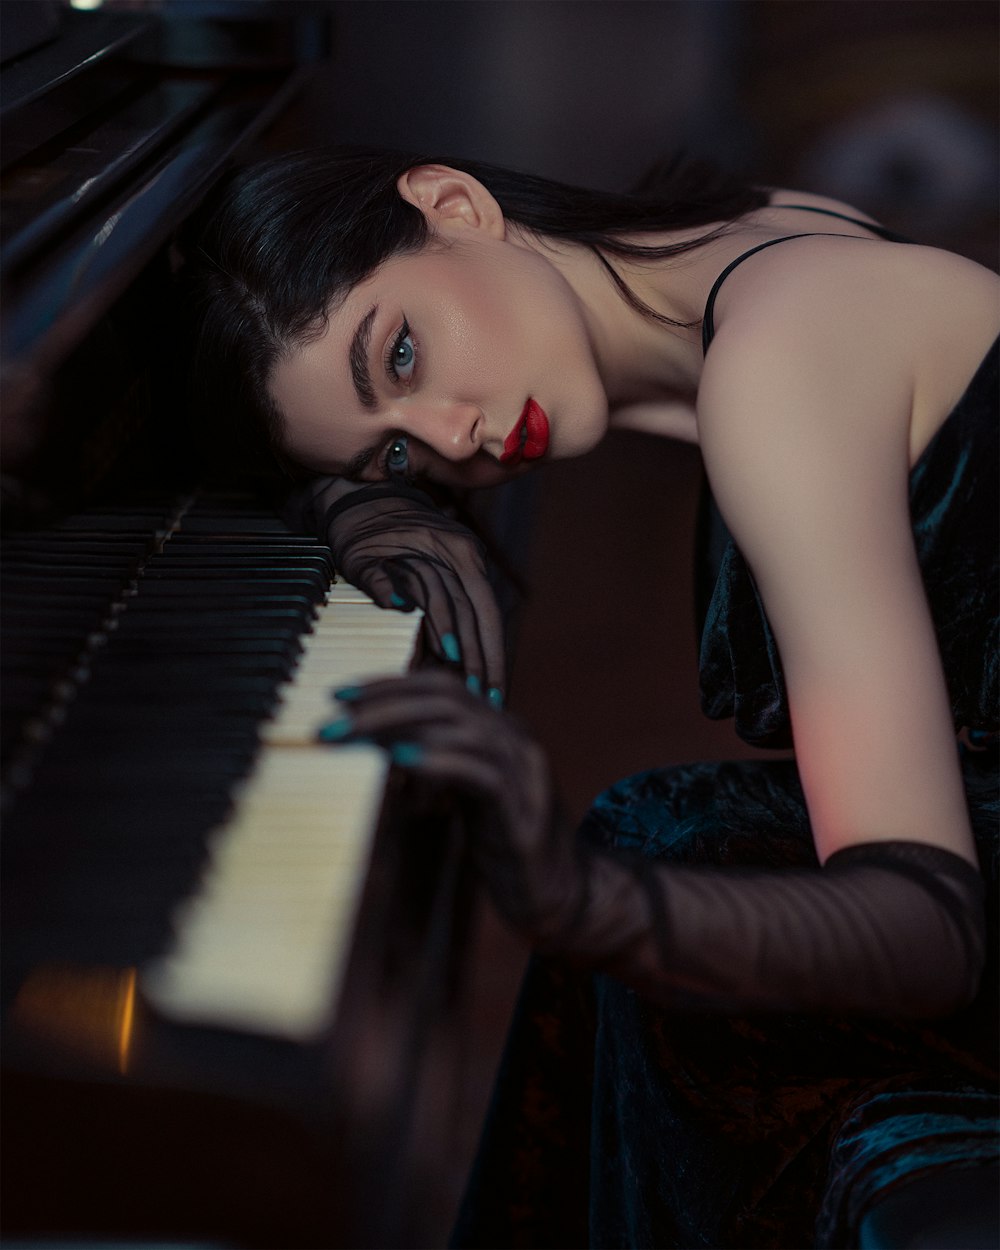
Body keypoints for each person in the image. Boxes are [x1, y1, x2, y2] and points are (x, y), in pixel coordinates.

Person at [183, 147, 998, 1248]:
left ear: (454, 203)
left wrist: (578, 898)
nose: (450, 436)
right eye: (391, 454)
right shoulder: (754, 220)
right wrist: (357, 508)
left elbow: (932, 927)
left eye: (405, 351)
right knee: (672, 843)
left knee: (652, 860)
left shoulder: (780, 365)